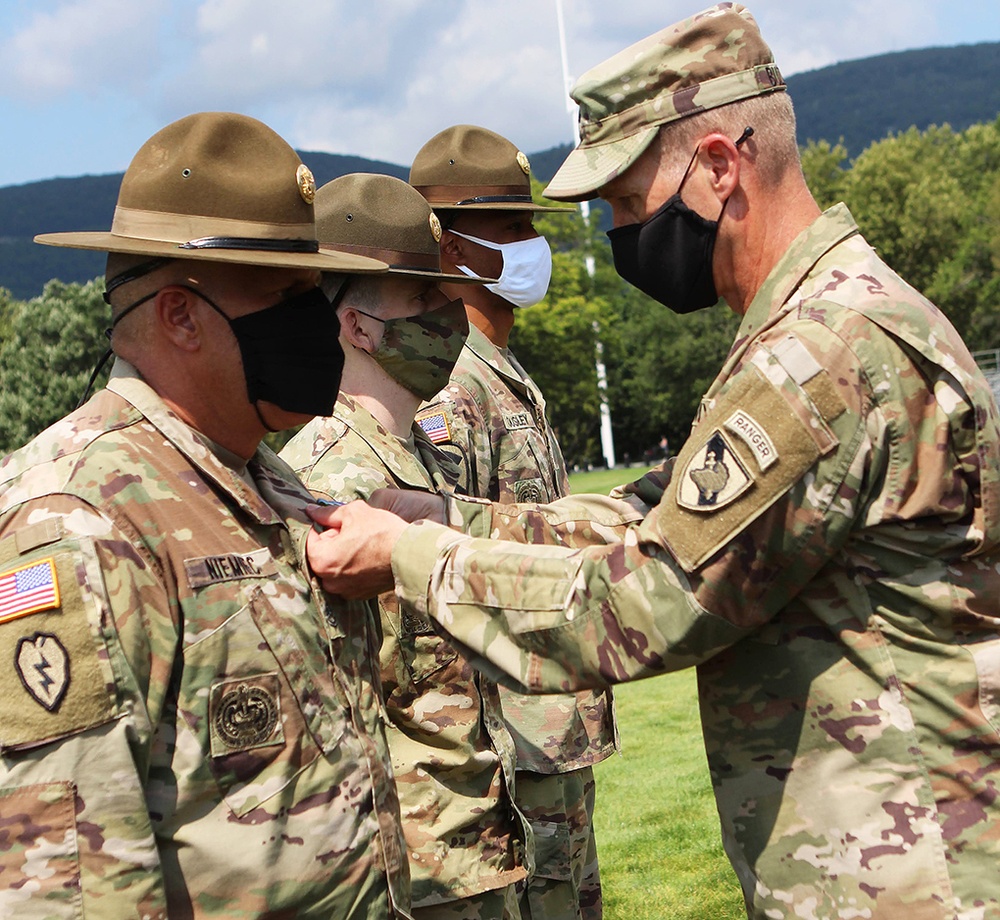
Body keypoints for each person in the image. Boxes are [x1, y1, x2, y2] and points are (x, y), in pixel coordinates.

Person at [306, 5, 1000, 919]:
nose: (623, 233)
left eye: (632, 203)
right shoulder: (819, 328)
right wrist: (447, 518)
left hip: (908, 877)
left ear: (719, 165)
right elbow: (662, 519)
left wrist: (407, 557)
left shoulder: (822, 355)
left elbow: (649, 600)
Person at [0, 112, 411, 919]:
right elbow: (71, 885)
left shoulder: (265, 476)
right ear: (181, 317)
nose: (317, 323)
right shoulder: (76, 518)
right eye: (285, 295)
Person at [280, 173, 530, 920]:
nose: (452, 317)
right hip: (419, 874)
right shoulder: (327, 482)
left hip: (481, 843)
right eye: (424, 302)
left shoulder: (429, 459)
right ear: (358, 328)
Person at [409, 125, 618, 920]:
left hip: (548, 726)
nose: (535, 246)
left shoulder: (502, 372)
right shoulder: (451, 391)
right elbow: (437, 567)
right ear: (451, 246)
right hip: (510, 737)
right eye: (512, 229)